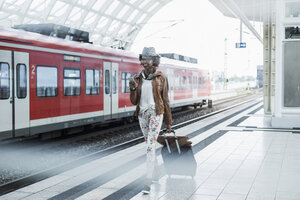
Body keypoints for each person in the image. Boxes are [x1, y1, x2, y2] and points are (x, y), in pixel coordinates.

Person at [129, 47, 172, 194]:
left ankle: (147, 181)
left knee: (150, 146)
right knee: (149, 144)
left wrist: (168, 123)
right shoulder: (138, 78)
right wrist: (133, 89)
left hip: (156, 114)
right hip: (142, 115)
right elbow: (134, 101)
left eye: (147, 59)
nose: (144, 61)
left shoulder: (161, 77)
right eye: (143, 58)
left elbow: (165, 100)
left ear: (154, 61)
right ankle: (157, 172)